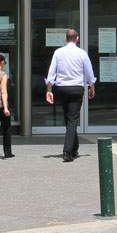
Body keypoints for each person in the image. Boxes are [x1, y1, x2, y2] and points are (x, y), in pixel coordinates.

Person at [44, 28, 95, 162]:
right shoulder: (82, 53)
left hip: (62, 88)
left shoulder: (58, 52)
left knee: (69, 118)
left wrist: (49, 90)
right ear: (77, 39)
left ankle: (74, 148)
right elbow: (89, 72)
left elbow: (51, 72)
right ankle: (67, 151)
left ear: (66, 39)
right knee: (72, 119)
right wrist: (91, 86)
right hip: (77, 88)